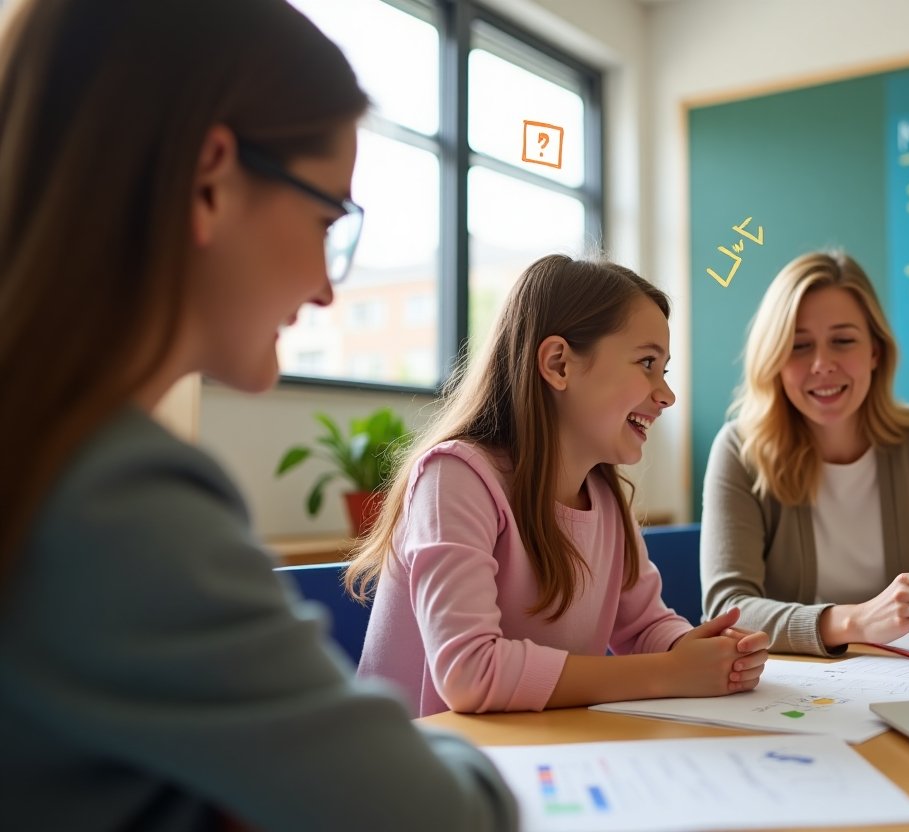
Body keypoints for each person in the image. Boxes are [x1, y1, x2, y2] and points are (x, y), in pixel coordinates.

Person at [0, 1, 520, 828]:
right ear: (208, 178)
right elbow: (441, 816)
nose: (327, 287)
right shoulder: (121, 498)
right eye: (326, 219)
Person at [349, 255, 770, 717]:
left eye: (664, 371)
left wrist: (701, 652)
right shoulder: (455, 478)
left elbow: (644, 628)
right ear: (558, 364)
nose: (667, 395)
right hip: (417, 755)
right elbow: (470, 674)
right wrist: (671, 672)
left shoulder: (606, 498)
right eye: (647, 363)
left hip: (532, 748)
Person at [701, 250, 909, 656]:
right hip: (801, 681)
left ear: (875, 350)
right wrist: (857, 622)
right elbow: (727, 610)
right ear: (774, 361)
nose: (822, 364)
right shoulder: (739, 450)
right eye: (799, 346)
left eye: (843, 341)